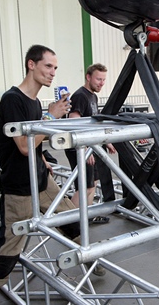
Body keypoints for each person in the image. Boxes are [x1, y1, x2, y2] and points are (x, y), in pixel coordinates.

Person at [0, 45, 101, 305]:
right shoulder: (13, 99)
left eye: (55, 68)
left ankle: (93, 262)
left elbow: (34, 147)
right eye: (48, 66)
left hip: (41, 181)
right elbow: (23, 146)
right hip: (19, 187)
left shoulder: (35, 102)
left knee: (71, 218)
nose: (53, 73)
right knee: (9, 246)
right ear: (31, 65)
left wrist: (44, 159)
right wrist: (50, 117)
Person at [65, 63, 116, 224]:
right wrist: (84, 148)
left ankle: (85, 218)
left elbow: (94, 122)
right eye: (98, 79)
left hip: (89, 147)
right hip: (81, 148)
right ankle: (70, 222)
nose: (101, 83)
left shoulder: (92, 96)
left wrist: (106, 142)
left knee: (92, 185)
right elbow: (73, 121)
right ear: (88, 77)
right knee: (84, 187)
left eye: (103, 80)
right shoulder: (80, 96)